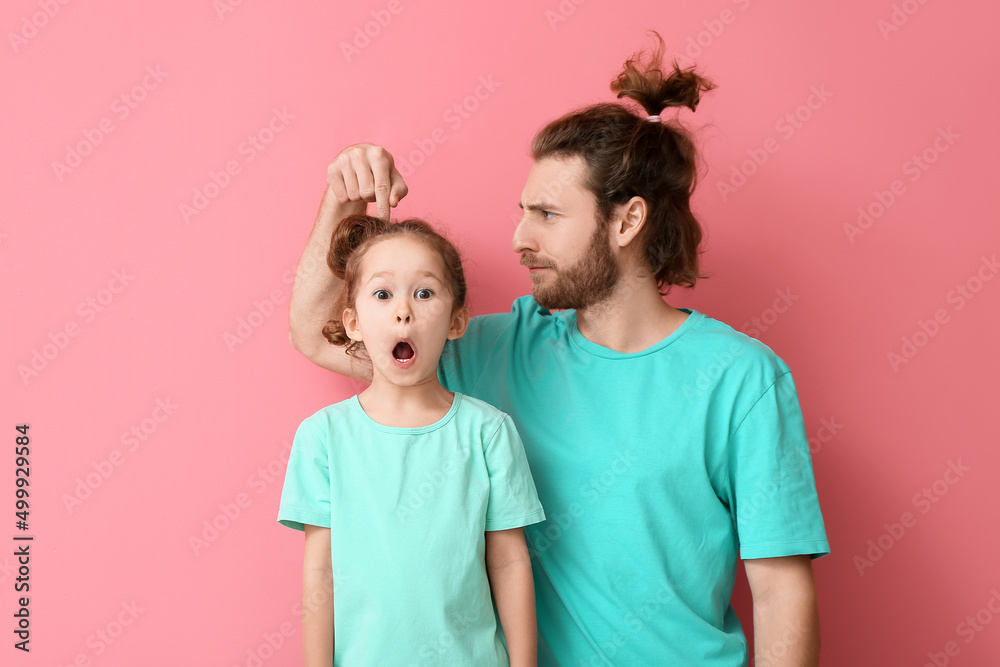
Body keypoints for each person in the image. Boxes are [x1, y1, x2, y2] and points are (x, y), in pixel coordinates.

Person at [288, 33, 829, 667]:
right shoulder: (492, 349)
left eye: (546, 215)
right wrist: (342, 203)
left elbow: (780, 591)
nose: (518, 238)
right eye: (522, 211)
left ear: (626, 222)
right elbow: (317, 329)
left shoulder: (742, 379)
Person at [277, 213, 546, 666]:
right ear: (354, 322)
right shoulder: (322, 436)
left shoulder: (489, 431)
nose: (403, 310)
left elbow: (509, 562)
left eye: (424, 293)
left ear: (457, 320)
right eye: (382, 294)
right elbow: (319, 573)